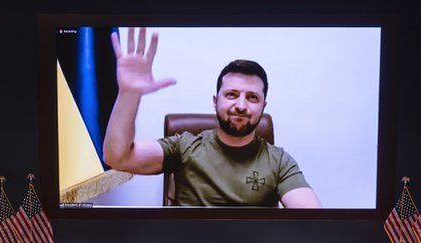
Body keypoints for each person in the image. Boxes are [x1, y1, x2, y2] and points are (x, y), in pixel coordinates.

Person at [103, 28, 321, 208]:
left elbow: (314, 222)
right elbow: (117, 158)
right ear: (215, 101)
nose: (241, 105)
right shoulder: (184, 146)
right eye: (232, 95)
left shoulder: (279, 161)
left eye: (252, 97)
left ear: (263, 106)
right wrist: (129, 94)